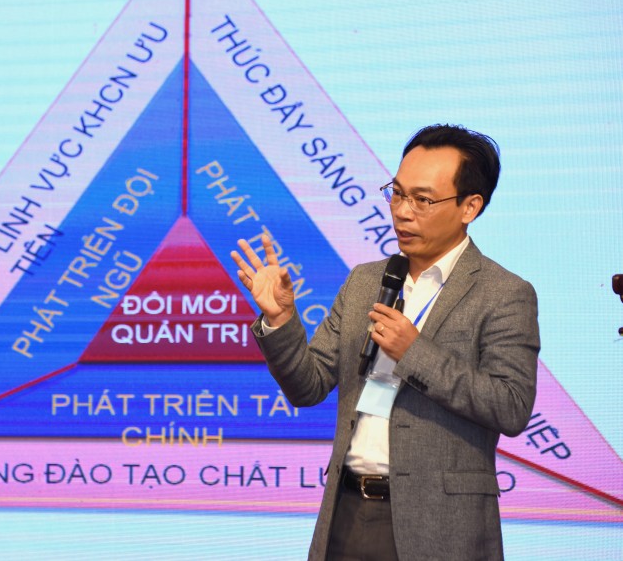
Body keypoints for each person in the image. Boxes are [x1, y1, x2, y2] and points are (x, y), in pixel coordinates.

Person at [231, 124, 540, 560]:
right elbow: (307, 387)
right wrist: (280, 319)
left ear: (470, 206)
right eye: (397, 194)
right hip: (347, 512)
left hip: (442, 526)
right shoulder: (365, 281)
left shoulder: (503, 293)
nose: (402, 212)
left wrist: (415, 353)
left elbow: (510, 406)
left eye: (423, 200)